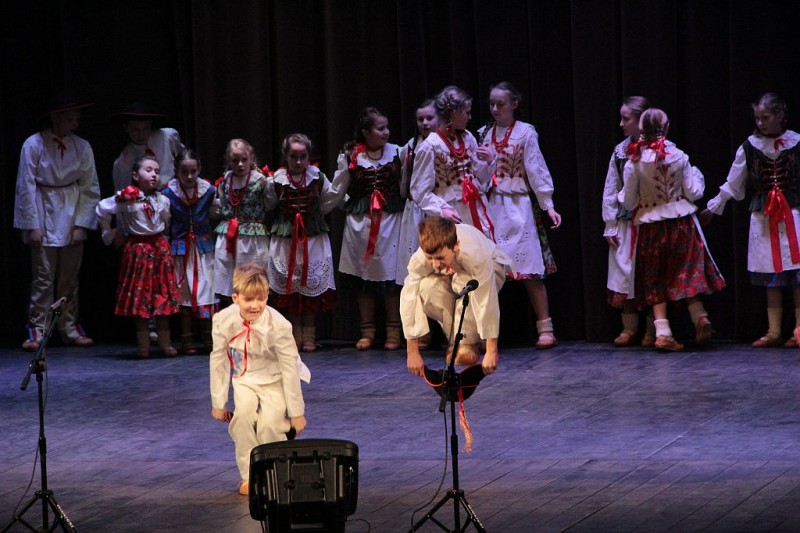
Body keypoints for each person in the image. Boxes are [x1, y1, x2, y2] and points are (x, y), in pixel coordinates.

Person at [619, 108, 725, 351]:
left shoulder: (635, 162)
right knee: (685, 272)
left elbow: (629, 202)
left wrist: (623, 195)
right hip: (681, 223)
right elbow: (694, 193)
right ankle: (699, 316)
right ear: (665, 128)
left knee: (655, 277)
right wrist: (698, 176)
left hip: (651, 227)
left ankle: (663, 332)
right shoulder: (679, 157)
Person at [700, 92, 800, 347]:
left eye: (765, 117)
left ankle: (799, 330)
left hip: (793, 214)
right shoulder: (749, 147)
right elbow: (733, 183)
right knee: (771, 274)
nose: (760, 123)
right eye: (757, 118)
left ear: (780, 115)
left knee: (797, 274)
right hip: (764, 216)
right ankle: (774, 331)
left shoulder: (796, 142)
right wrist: (713, 207)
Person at [209, 263, 310, 496]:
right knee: (242, 419)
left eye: (261, 299)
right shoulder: (222, 320)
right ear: (235, 298)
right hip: (245, 377)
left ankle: (276, 473)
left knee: (269, 425)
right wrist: (219, 402)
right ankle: (250, 475)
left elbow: (289, 368)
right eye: (248, 299)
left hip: (276, 377)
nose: (255, 305)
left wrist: (296, 412)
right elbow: (219, 360)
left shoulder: (279, 325)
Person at [477, 81, 562, 348]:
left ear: (514, 104)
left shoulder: (525, 133)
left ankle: (545, 327)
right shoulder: (482, 134)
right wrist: (487, 163)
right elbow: (478, 176)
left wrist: (548, 205)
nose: (495, 109)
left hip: (519, 207)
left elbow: (536, 169)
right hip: (491, 207)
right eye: (491, 104)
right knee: (488, 272)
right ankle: (484, 332)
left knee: (530, 270)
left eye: (500, 104)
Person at [14, 92, 100, 351]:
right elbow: (25, 185)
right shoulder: (34, 144)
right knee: (43, 277)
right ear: (55, 118)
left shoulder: (82, 146)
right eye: (70, 118)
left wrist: (81, 224)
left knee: (69, 278)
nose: (75, 123)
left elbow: (90, 187)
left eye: (77, 118)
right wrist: (33, 225)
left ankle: (69, 327)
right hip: (43, 208)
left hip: (71, 208)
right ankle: (37, 330)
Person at [402, 217, 514, 376]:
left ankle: (467, 343)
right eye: (430, 258)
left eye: (440, 258)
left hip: (491, 268)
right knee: (427, 288)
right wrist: (412, 352)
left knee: (464, 283)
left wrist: (491, 350)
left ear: (456, 246)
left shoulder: (474, 254)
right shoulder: (420, 259)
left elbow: (486, 298)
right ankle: (456, 342)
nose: (435, 264)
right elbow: (409, 298)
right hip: (452, 275)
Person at [333, 107, 404, 351]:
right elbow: (338, 189)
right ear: (366, 132)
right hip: (360, 225)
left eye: (387, 127)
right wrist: (347, 205)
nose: (386, 132)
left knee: (391, 276)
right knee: (363, 277)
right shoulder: (351, 155)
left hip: (390, 222)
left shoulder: (397, 152)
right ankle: (367, 330)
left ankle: (394, 330)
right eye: (380, 128)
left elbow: (405, 185)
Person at [96, 155, 181, 358]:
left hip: (159, 250)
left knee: (161, 296)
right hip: (139, 251)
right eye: (148, 170)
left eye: (157, 171)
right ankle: (143, 345)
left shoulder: (162, 200)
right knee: (141, 298)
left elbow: (166, 221)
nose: (153, 175)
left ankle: (165, 342)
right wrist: (111, 233)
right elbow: (102, 209)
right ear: (135, 175)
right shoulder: (127, 198)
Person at [265, 134, 339, 352]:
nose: (298, 161)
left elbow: (328, 200)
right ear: (285, 156)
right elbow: (268, 204)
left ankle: (309, 335)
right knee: (290, 287)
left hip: (312, 238)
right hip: (286, 239)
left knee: (308, 285)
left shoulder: (318, 177)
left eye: (303, 156)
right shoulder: (276, 180)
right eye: (293, 156)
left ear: (309, 156)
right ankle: (294, 334)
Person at [602, 96, 656, 347]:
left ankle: (652, 329)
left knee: (649, 273)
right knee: (624, 271)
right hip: (626, 221)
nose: (621, 124)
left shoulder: (660, 148)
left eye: (626, 119)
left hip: (651, 220)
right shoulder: (620, 151)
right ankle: (629, 327)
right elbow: (611, 188)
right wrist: (610, 224)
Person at [408, 85, 495, 240]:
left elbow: (480, 178)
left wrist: (489, 162)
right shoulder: (430, 146)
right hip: (451, 212)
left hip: (475, 207)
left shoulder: (468, 138)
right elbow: (419, 190)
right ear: (454, 113)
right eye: (467, 112)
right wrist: (441, 210)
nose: (470, 117)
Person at [163, 148, 217, 354]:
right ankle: (187, 338)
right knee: (184, 291)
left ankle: (208, 336)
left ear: (199, 169)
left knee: (206, 289)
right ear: (176, 171)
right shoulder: (168, 194)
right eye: (184, 172)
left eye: (193, 171)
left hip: (203, 249)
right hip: (181, 250)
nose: (189, 176)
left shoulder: (209, 191)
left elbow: (215, 212)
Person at [213, 138, 271, 306]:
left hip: (252, 239)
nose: (240, 164)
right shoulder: (225, 182)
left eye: (244, 159)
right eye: (235, 160)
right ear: (228, 161)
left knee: (252, 280)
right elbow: (221, 204)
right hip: (229, 237)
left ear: (251, 159)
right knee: (231, 282)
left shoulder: (261, 181)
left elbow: (270, 204)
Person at [396, 98, 439, 286]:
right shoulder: (411, 146)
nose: (425, 123)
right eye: (420, 119)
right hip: (415, 210)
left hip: (438, 208)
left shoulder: (443, 144)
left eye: (430, 118)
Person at [111, 102, 185, 192]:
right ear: (126, 128)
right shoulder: (123, 162)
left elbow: (184, 159)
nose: (141, 135)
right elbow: (123, 192)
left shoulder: (167, 136)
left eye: (145, 128)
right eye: (135, 130)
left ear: (150, 124)